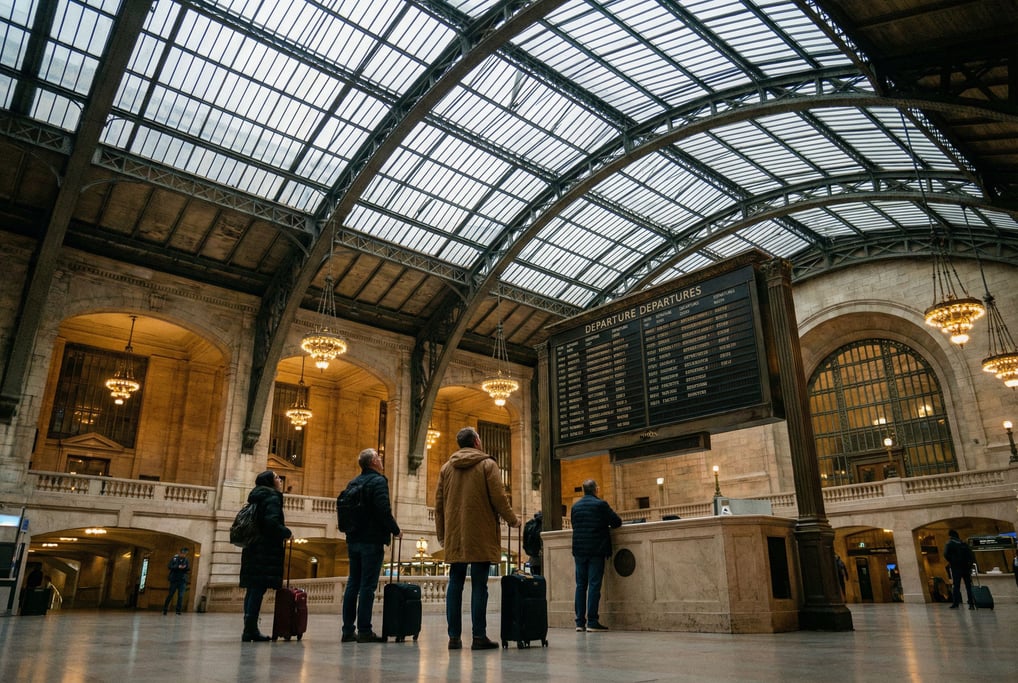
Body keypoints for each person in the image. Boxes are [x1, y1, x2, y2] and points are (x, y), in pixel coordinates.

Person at [435, 426, 520, 651]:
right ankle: (478, 636)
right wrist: (512, 520)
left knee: (455, 584)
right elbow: (499, 498)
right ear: (476, 442)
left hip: (456, 534)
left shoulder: (446, 468)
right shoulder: (487, 464)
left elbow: (439, 504)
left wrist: (442, 533)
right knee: (479, 586)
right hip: (481, 534)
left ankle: (454, 637)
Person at [340, 447, 402, 644]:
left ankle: (348, 630)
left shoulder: (353, 483)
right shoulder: (378, 481)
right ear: (373, 461)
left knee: (353, 584)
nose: (381, 458)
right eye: (378, 456)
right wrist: (395, 530)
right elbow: (383, 509)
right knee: (367, 586)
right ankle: (365, 630)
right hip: (371, 541)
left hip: (353, 539)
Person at [239, 470, 292, 641]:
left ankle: (249, 626)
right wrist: (286, 532)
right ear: (270, 482)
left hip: (252, 546)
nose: (280, 480)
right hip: (265, 549)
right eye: (277, 477)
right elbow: (271, 522)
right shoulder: (272, 497)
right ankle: (251, 629)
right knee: (257, 589)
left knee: (252, 588)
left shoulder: (256, 496)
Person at [571, 479, 622, 632]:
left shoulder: (575, 507)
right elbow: (616, 522)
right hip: (596, 550)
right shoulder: (601, 505)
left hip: (579, 550)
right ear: (595, 490)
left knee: (581, 586)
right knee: (594, 585)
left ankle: (579, 622)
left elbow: (575, 525)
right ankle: (592, 621)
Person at [943, 529, 975, 609]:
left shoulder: (949, 544)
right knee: (968, 586)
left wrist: (952, 561)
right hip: (965, 567)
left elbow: (946, 554)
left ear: (950, 536)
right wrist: (969, 565)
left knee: (956, 586)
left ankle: (956, 603)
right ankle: (971, 603)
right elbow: (971, 555)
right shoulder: (963, 544)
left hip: (956, 567)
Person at [163, 547, 190, 615]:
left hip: (182, 580)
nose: (184, 555)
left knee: (181, 596)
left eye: (185, 554)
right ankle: (165, 609)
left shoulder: (186, 560)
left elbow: (188, 568)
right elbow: (169, 566)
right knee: (170, 594)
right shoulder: (174, 559)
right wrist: (178, 567)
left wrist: (185, 567)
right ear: (179, 553)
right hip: (174, 579)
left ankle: (178, 610)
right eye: (183, 553)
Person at [523, 511, 544, 575]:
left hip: (533, 560)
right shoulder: (543, 525)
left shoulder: (530, 525)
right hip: (542, 559)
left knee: (536, 580)